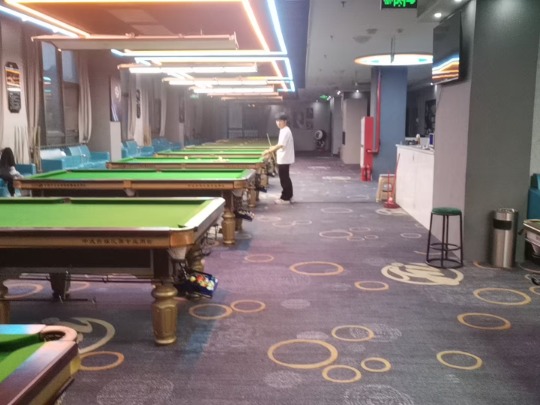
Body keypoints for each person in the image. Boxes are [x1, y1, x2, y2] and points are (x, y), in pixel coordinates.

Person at [264, 114, 295, 204]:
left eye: (280, 121)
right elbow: (279, 144)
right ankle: (289, 195)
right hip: (284, 158)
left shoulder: (285, 131)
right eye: (277, 121)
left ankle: (285, 198)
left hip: (285, 159)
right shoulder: (283, 130)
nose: (278, 123)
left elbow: (281, 145)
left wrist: (269, 151)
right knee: (285, 178)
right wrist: (273, 148)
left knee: (284, 179)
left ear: (285, 121)